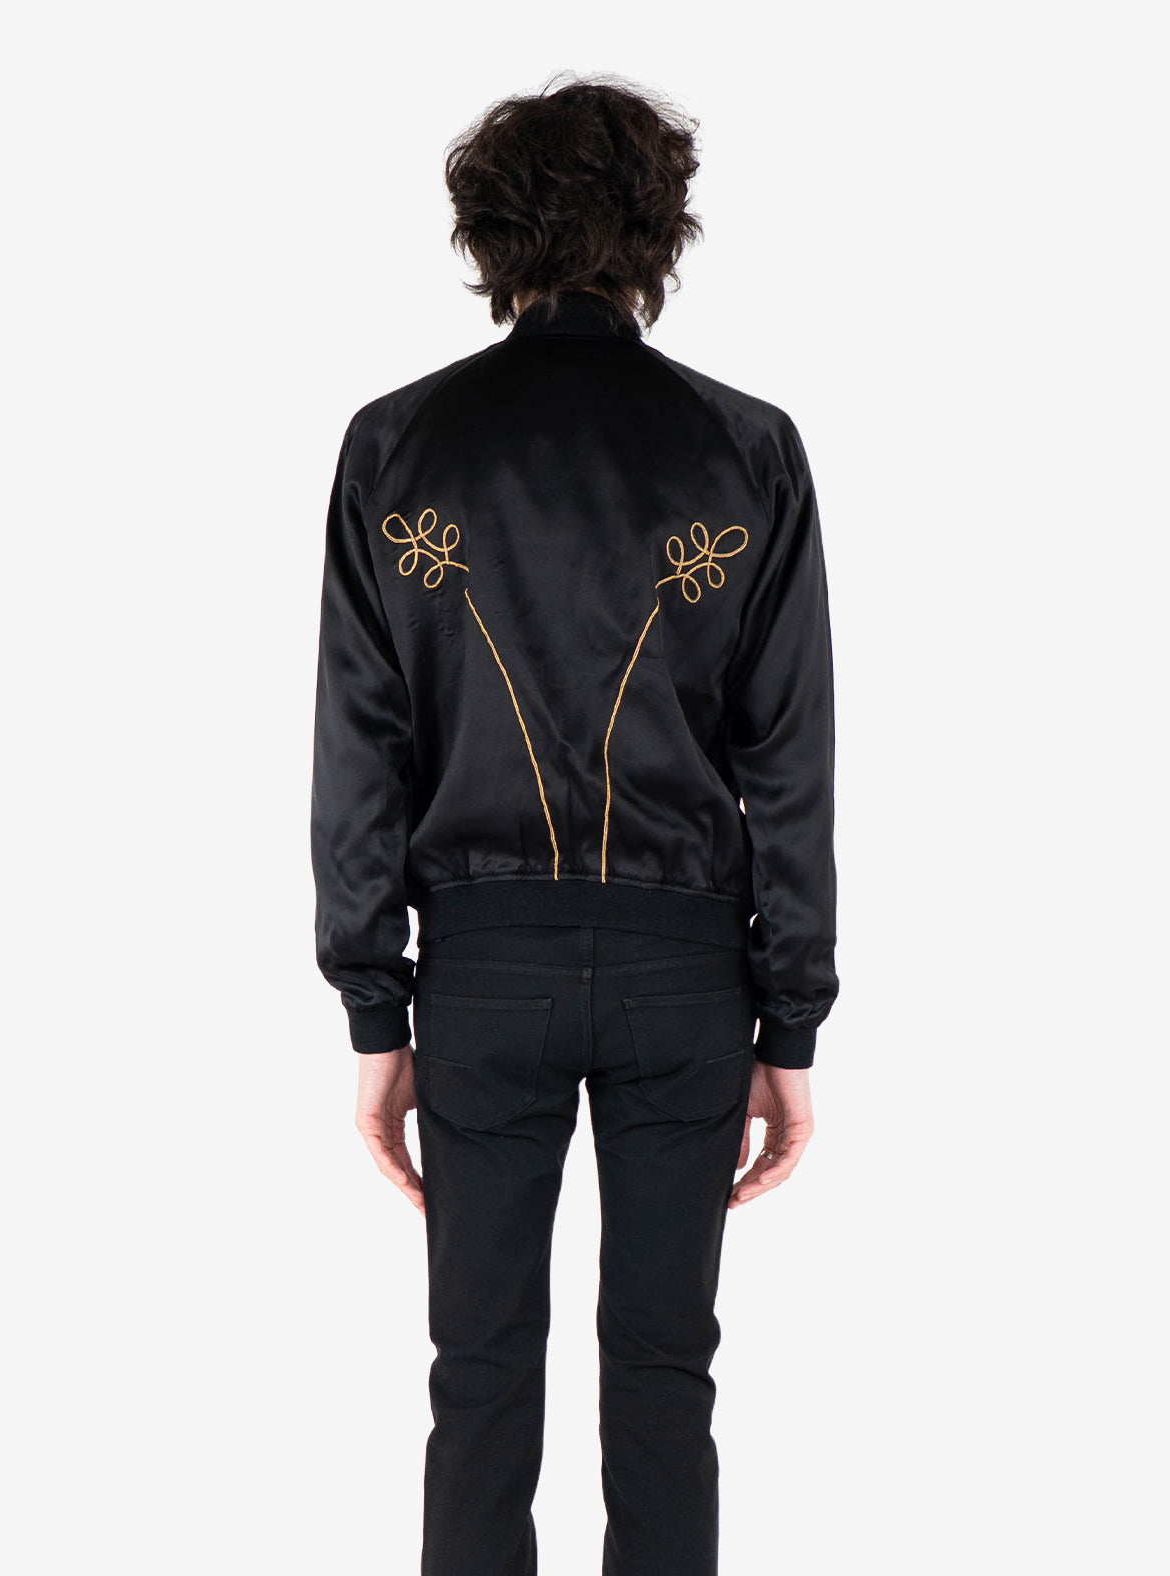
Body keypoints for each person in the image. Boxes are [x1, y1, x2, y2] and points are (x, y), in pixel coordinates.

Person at [310, 72, 838, 1576]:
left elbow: (362, 747)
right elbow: (789, 759)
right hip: (688, 979)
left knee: (478, 1380)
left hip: (482, 975)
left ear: (488, 233)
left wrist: (375, 1010)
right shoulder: (747, 448)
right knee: (665, 1381)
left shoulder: (396, 446)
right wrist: (790, 1023)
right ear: (659, 232)